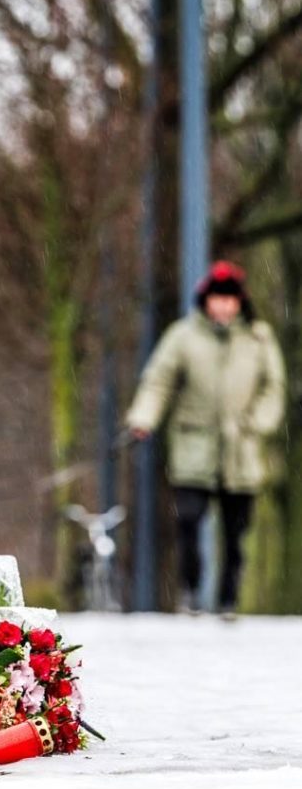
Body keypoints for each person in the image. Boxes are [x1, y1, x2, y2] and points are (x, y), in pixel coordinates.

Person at [126, 260, 286, 616]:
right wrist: (143, 418)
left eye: (230, 299)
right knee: (189, 520)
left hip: (241, 447)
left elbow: (273, 388)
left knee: (236, 531)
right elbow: (159, 380)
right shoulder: (183, 336)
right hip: (193, 443)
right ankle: (191, 591)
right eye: (218, 298)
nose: (224, 306)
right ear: (206, 301)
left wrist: (258, 423)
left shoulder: (259, 339)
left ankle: (229, 598)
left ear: (240, 302)